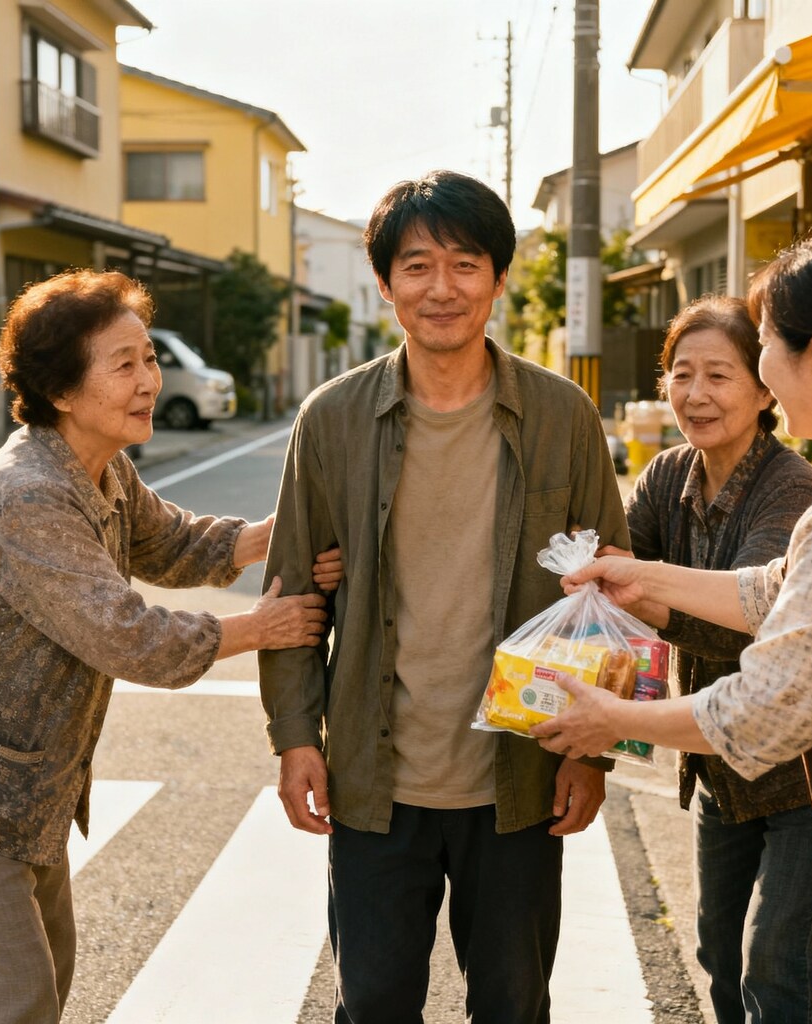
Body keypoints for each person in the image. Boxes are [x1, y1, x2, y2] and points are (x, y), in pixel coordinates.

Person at [531, 232, 812, 1024]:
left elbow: (765, 709)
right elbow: (777, 590)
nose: (758, 371)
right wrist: (642, 576)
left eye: (763, 349)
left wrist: (612, 719)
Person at [258, 169, 630, 1024]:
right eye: (417, 266)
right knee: (374, 1001)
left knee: (513, 1003)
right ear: (385, 284)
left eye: (465, 264)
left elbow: (610, 591)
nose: (442, 288)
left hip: (521, 774)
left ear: (498, 280)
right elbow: (292, 594)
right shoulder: (333, 419)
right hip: (373, 775)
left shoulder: (563, 415)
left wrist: (593, 751)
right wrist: (294, 736)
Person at [0, 268, 335, 1024]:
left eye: (149, 358)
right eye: (124, 364)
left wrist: (280, 536)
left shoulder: (99, 465)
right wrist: (258, 627)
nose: (149, 380)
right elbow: (127, 636)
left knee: (38, 985)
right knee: (12, 1004)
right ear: (61, 390)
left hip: (23, 784)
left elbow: (169, 544)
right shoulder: (28, 493)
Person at [619, 295, 812, 1023]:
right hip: (719, 768)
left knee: (778, 968)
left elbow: (750, 620)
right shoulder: (665, 476)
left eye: (719, 375)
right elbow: (617, 574)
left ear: (765, 390)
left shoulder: (793, 486)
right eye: (682, 374)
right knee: (717, 956)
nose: (696, 394)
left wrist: (641, 592)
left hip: (802, 778)